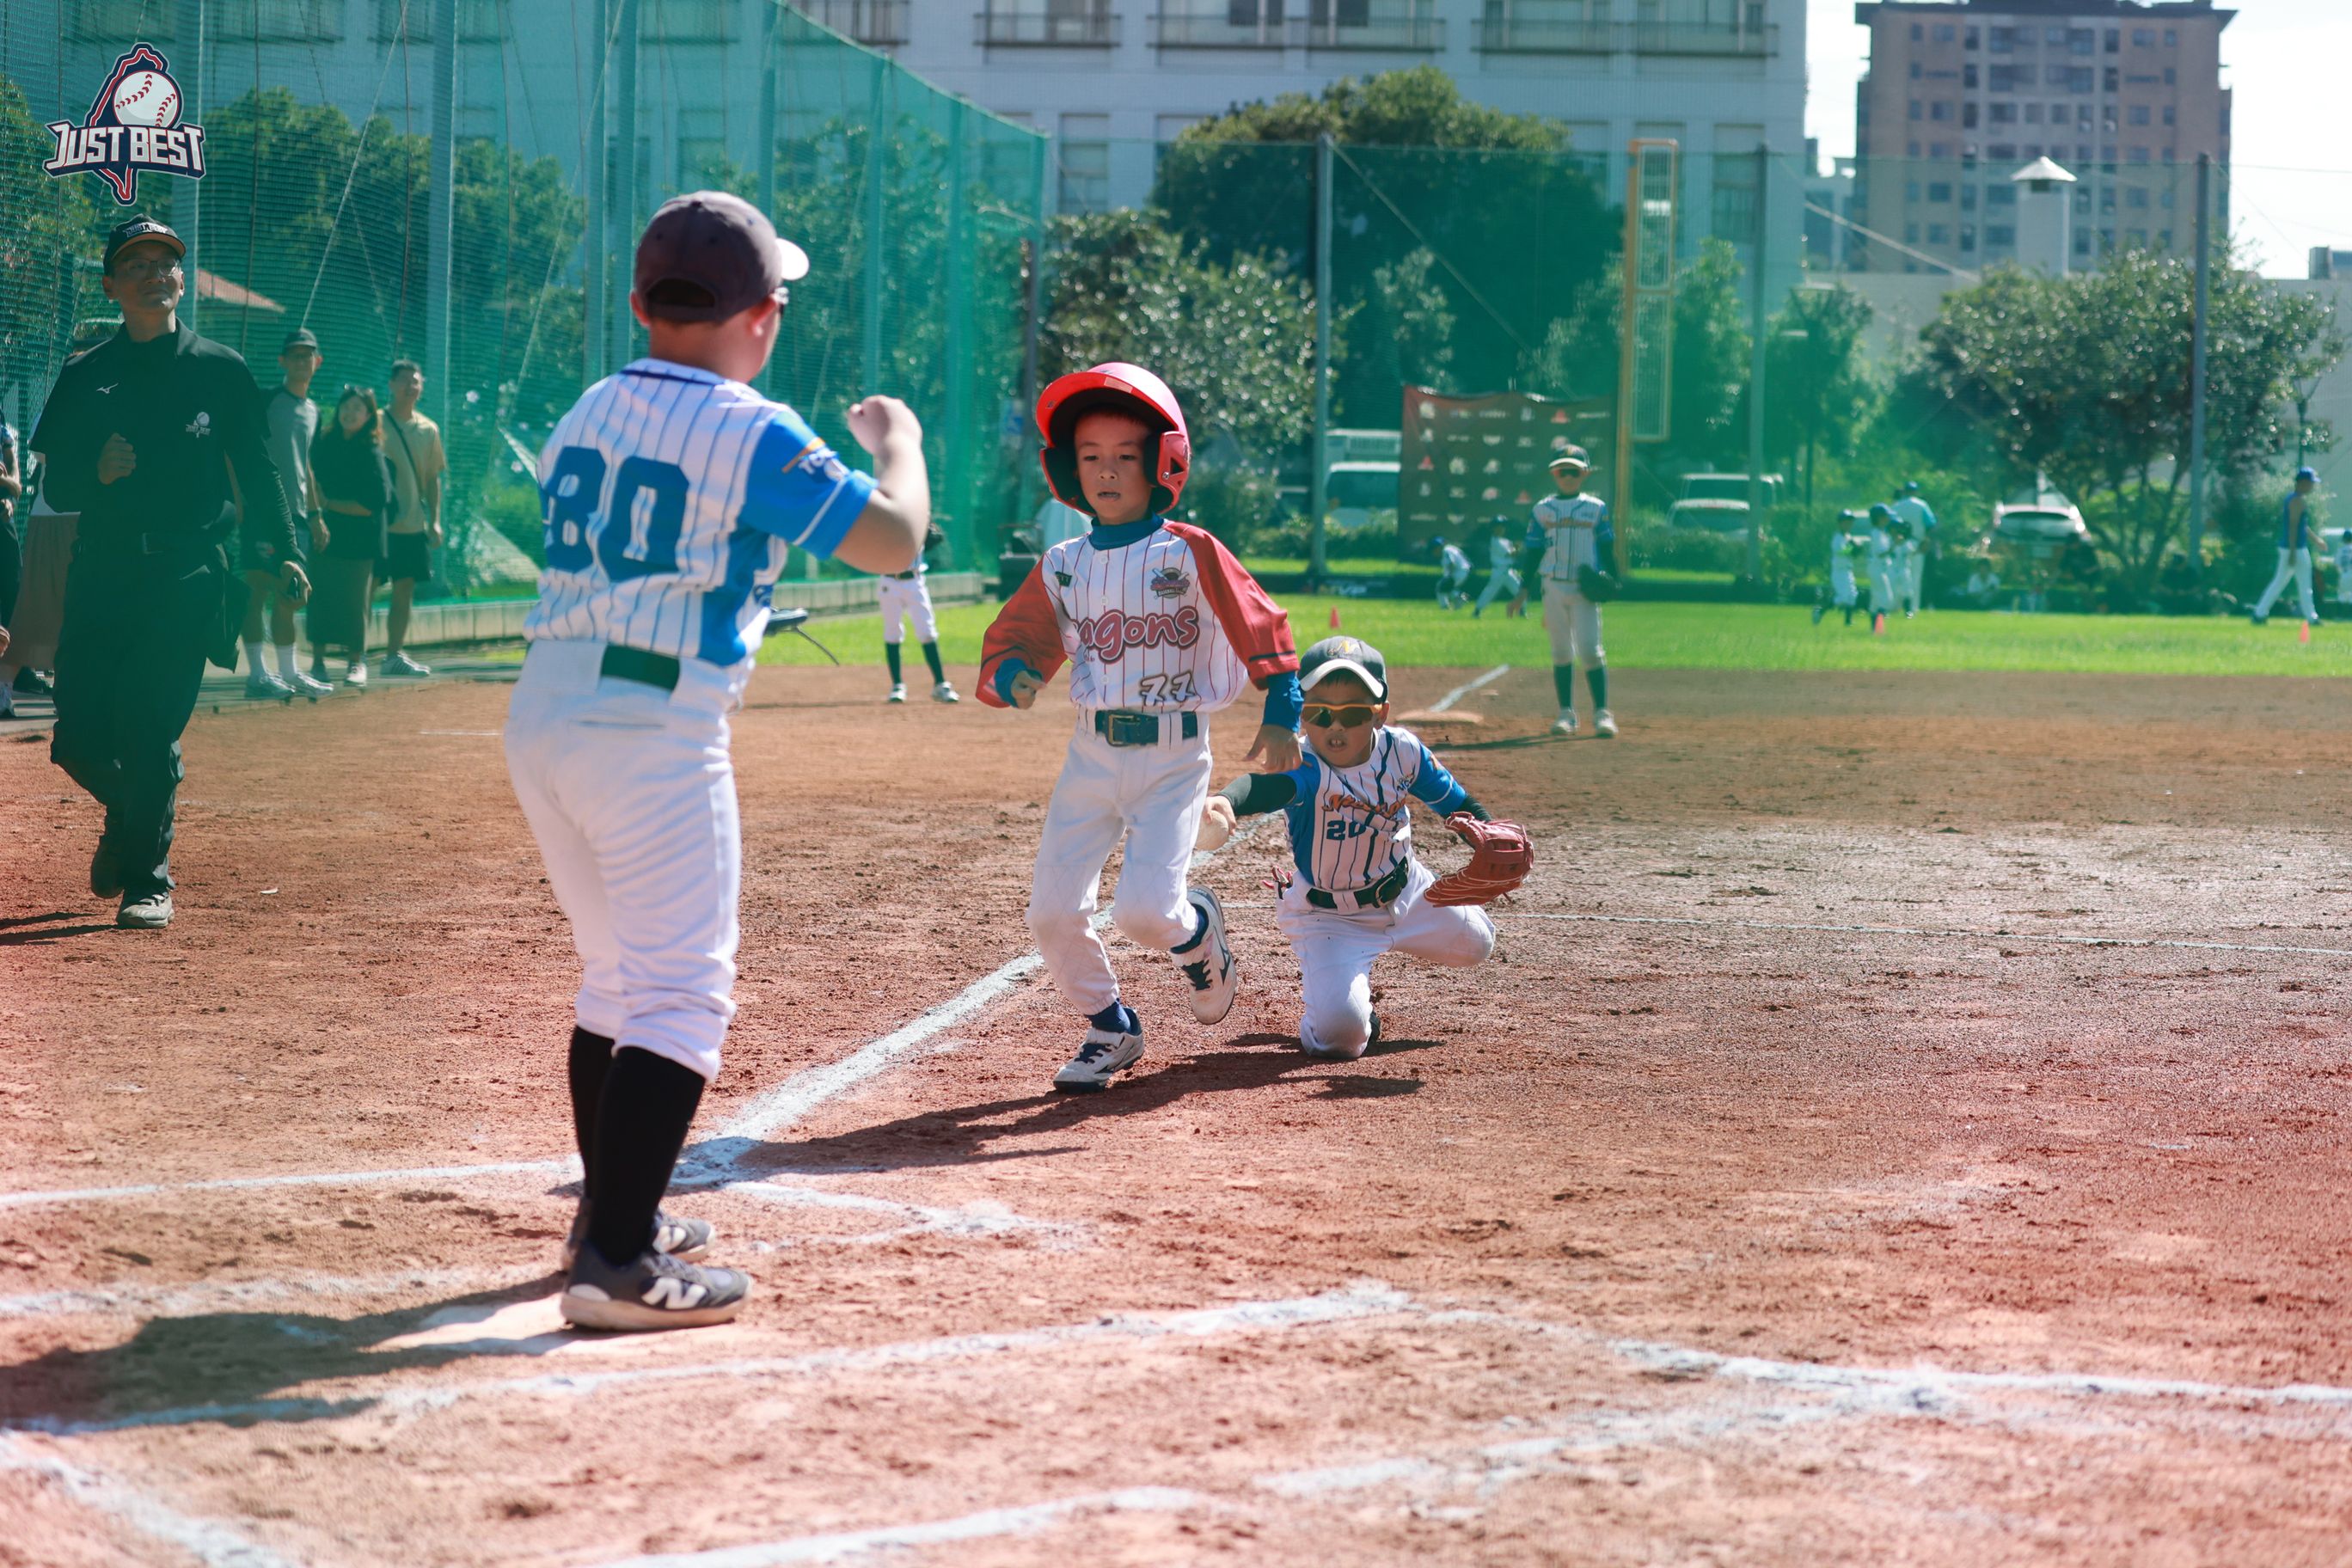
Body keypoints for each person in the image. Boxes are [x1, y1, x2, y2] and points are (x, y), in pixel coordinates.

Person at [505, 191, 927, 1332]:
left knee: (616, 978)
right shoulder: (751, 425)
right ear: (766, 316)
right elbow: (896, 538)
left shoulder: (592, 402)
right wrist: (903, 445)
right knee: (684, 993)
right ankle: (622, 1260)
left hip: (544, 712)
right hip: (650, 729)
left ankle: (609, 1219)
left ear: (642, 303)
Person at [978, 361, 1301, 1093]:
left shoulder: (1188, 549)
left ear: (1164, 462)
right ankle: (1109, 1026)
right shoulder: (1064, 564)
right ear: (1067, 469)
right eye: (1090, 457)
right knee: (1052, 913)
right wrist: (1011, 675)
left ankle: (1198, 934)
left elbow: (1260, 623)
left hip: (1173, 757)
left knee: (1148, 913)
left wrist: (1283, 709)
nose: (1107, 472)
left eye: (1126, 456)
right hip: (1091, 756)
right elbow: (1017, 639)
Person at [27, 215, 308, 929]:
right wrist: (96, 472)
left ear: (182, 279)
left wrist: (284, 550)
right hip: (103, 574)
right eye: (138, 265)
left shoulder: (220, 368)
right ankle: (131, 815)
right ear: (111, 286)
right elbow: (56, 488)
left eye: (167, 263)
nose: (156, 275)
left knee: (149, 732)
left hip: (186, 576)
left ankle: (148, 880)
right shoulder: (86, 374)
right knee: (78, 740)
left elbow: (258, 469)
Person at [1194, 636, 1505, 1059]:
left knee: (1479, 943)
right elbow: (1263, 787)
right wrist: (1228, 800)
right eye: (1319, 713)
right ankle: (1350, 1011)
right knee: (1339, 1040)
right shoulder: (1303, 767)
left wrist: (1486, 832)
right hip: (1330, 917)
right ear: (1301, 716)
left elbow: (1456, 805)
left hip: (1408, 891)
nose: (1335, 726)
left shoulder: (1404, 752)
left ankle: (1358, 983)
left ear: (1381, 714)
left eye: (1354, 713)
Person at [245, 328, 334, 701]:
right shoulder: (267, 402)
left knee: (291, 595)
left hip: (297, 518)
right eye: (294, 355)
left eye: (307, 355)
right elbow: (242, 452)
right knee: (256, 590)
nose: (301, 361)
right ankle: (257, 676)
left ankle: (289, 673)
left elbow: (307, 466)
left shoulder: (313, 410)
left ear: (318, 362)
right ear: (282, 361)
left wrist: (315, 514)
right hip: (262, 513)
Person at [1525, 448, 1617, 738]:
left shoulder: (1596, 508)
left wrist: (1613, 578)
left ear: (1585, 474)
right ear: (1554, 474)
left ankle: (1602, 714)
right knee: (1561, 651)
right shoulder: (1542, 509)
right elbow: (1532, 551)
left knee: (1590, 649)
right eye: (1562, 471)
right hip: (1552, 586)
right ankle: (1566, 713)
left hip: (1584, 590)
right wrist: (1523, 589)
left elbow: (1606, 548)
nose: (1567, 476)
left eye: (1574, 471)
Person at [307, 386, 392, 686]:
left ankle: (356, 663)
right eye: (346, 405)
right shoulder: (325, 441)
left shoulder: (371, 450)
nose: (350, 412)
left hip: (360, 543)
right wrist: (317, 510)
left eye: (358, 408)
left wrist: (330, 505)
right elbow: (310, 475)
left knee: (355, 604)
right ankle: (317, 664)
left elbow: (375, 501)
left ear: (369, 416)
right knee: (319, 599)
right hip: (324, 536)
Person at [379, 358, 445, 677]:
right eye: (404, 380)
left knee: (404, 588)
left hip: (412, 523)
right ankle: (356, 657)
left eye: (415, 381)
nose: (410, 386)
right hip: (375, 523)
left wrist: (434, 520)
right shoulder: (373, 421)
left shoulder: (428, 429)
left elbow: (433, 478)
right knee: (365, 588)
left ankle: (393, 656)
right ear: (390, 385)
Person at [877, 520, 958, 703]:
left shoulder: (914, 515)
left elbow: (936, 536)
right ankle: (897, 685)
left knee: (927, 632)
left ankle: (940, 684)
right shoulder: (882, 523)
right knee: (892, 632)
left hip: (915, 581)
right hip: (889, 582)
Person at [2251, 468, 2323, 626]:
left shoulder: (2293, 499)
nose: (2312, 487)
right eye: (2310, 483)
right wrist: (2292, 551)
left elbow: (2301, 526)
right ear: (2302, 483)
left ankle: (2259, 613)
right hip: (2296, 549)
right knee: (2304, 585)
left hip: (2292, 548)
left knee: (2279, 583)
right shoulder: (2297, 500)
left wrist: (2315, 540)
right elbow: (2292, 526)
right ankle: (2312, 618)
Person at [1813, 510, 1868, 628]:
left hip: (1848, 570)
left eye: (1850, 522)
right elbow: (1840, 551)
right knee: (1843, 597)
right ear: (1840, 523)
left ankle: (1848, 622)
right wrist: (1852, 549)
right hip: (1839, 572)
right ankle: (1820, 610)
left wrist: (1855, 549)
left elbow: (1851, 552)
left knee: (1852, 595)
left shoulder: (1848, 537)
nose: (1849, 525)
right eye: (1846, 522)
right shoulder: (1837, 538)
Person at [1890, 480, 1937, 616]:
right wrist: (1927, 540)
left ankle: (1896, 604)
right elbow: (1931, 524)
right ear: (1916, 491)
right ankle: (1913, 607)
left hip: (1899, 543)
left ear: (1904, 491)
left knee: (1898, 574)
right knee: (1915, 576)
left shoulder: (1896, 505)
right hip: (1917, 543)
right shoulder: (1922, 505)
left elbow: (1891, 526)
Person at [0, 416, 18, 719]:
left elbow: (16, 485)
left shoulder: (3, 428)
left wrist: (5, 484)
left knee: (11, 591)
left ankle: (3, 692)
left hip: (4, 523)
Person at [1472, 517, 1519, 617]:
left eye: (1502, 526)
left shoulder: (1506, 541)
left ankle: (1522, 610)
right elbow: (1510, 554)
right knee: (1490, 592)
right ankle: (1477, 610)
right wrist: (1518, 547)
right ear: (1493, 528)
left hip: (1509, 570)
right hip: (1499, 570)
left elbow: (1513, 554)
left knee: (1519, 589)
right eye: (1498, 526)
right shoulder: (1495, 541)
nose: (1501, 528)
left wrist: (1517, 548)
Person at [1865, 504, 1901, 628]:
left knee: (1876, 601)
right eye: (1886, 516)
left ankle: (1874, 628)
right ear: (1879, 518)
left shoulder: (1881, 533)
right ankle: (1879, 628)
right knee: (1886, 599)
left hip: (1879, 568)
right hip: (1877, 568)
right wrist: (1895, 544)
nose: (1888, 519)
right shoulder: (1877, 533)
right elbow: (1881, 553)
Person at [1433, 533, 1471, 609]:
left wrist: (1449, 577)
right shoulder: (1449, 549)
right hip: (1463, 571)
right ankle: (1464, 597)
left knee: (1441, 587)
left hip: (1459, 572)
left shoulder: (1446, 550)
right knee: (1449, 589)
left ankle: (1444, 606)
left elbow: (1451, 563)